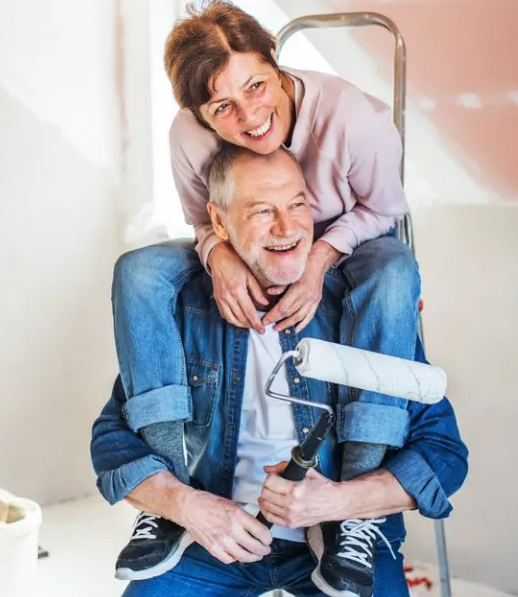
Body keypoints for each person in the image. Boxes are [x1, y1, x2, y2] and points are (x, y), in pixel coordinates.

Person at [110, 0, 421, 593]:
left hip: (348, 249)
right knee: (140, 271)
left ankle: (352, 518)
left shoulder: (356, 122)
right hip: (243, 253)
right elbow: (204, 221)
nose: (250, 116)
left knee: (394, 270)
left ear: (277, 65)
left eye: (256, 86)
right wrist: (219, 256)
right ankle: (170, 504)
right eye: (221, 106)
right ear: (198, 112)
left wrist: (321, 260)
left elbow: (383, 210)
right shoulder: (188, 137)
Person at [93, 143, 468, 597]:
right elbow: (113, 440)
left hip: (340, 541)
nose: (287, 228)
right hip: (210, 536)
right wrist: (187, 506)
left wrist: (336, 502)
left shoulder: (362, 307)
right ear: (218, 221)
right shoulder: (182, 307)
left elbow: (444, 453)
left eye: (297, 205)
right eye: (261, 211)